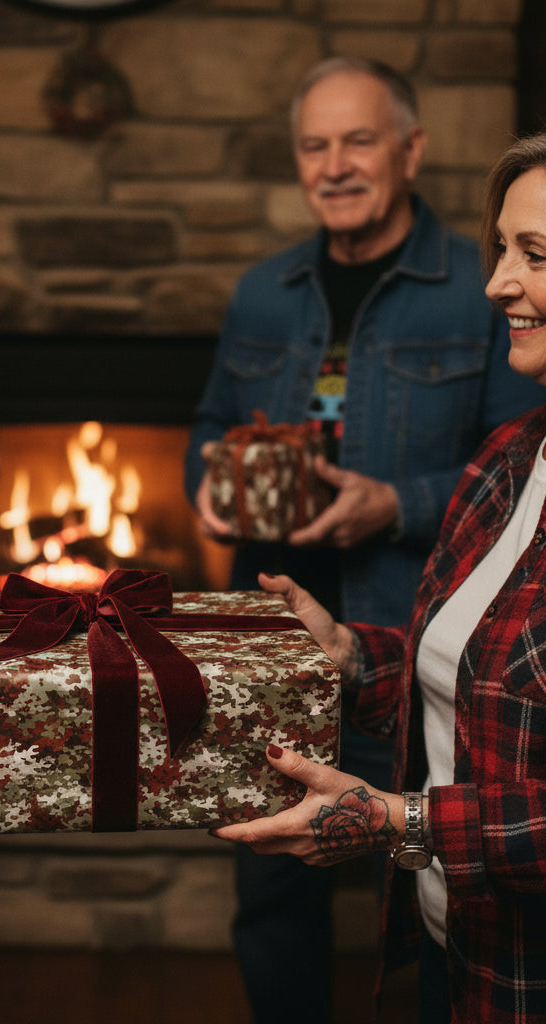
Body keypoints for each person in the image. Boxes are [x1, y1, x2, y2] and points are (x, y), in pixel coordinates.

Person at [183, 57, 544, 1023]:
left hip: (421, 619)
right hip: (306, 639)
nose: (335, 164)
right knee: (272, 886)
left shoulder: (473, 299)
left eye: (359, 140)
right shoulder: (265, 290)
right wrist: (209, 492)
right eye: (314, 144)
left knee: (398, 862)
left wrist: (388, 504)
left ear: (412, 149)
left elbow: (508, 471)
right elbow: (209, 428)